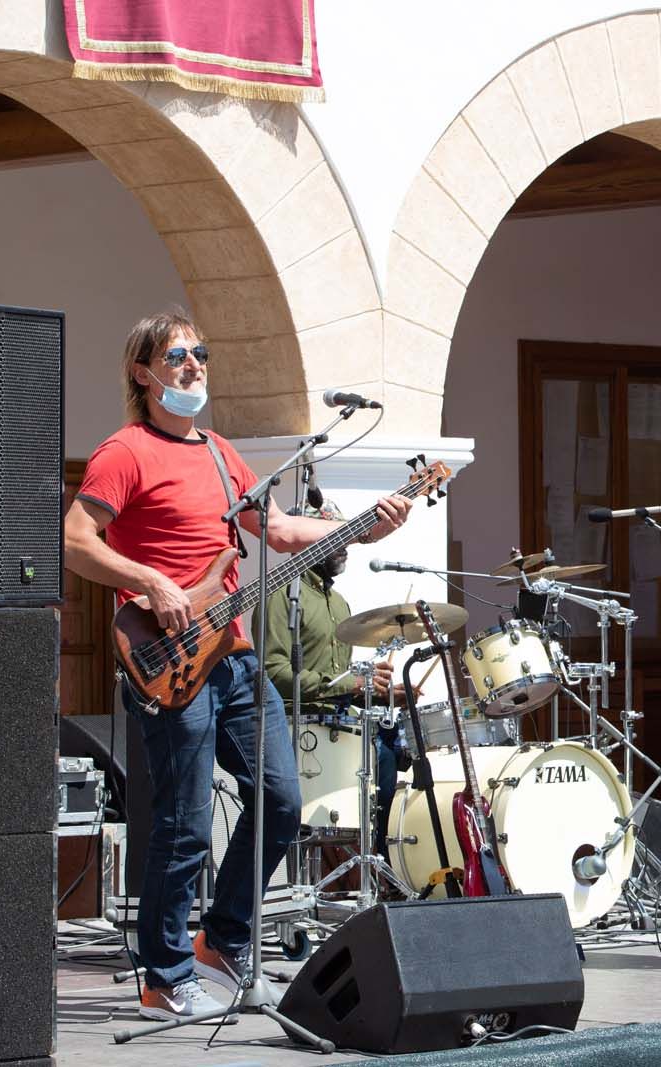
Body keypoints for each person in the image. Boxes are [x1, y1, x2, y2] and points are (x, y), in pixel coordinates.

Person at [63, 310, 412, 1022]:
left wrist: (363, 525)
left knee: (282, 800)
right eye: (178, 355)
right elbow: (75, 540)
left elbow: (278, 531)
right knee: (186, 821)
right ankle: (164, 974)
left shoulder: (223, 455)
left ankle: (221, 939)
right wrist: (151, 580)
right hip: (168, 659)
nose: (194, 365)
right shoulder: (124, 451)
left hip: (236, 656)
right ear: (144, 372)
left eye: (202, 352)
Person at [262, 499, 410, 860]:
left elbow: (341, 680)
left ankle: (380, 861)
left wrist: (381, 691)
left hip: (341, 727)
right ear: (307, 540)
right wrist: (354, 685)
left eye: (345, 538)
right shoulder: (282, 595)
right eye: (335, 537)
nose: (344, 547)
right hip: (300, 730)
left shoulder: (340, 603)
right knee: (383, 756)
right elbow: (272, 672)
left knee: (393, 750)